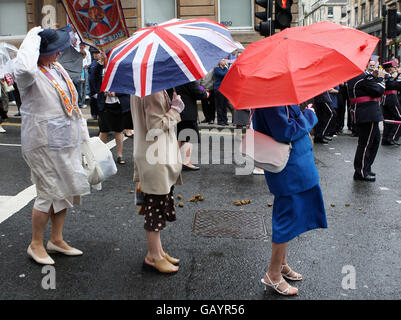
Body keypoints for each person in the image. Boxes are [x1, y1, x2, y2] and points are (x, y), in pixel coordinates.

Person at [14, 27, 91, 265]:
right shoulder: (29, 74)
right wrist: (31, 38)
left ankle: (56, 239)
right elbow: (24, 66)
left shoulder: (54, 67)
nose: (59, 53)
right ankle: (35, 243)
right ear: (38, 51)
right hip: (41, 142)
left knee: (65, 189)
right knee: (47, 192)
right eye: (53, 50)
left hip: (64, 139)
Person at [252, 104, 327, 296]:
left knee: (291, 215)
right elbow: (284, 131)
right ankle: (273, 274)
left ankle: (282, 264)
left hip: (296, 164)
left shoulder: (278, 95)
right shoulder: (272, 98)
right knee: (286, 218)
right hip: (289, 167)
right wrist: (310, 114)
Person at [131, 90, 185, 274]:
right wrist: (175, 110)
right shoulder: (151, 91)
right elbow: (155, 127)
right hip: (155, 156)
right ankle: (153, 256)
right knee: (154, 210)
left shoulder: (145, 86)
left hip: (153, 155)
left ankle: (158, 252)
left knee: (157, 206)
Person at [347, 64, 385, 182]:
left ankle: (366, 167)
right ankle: (361, 171)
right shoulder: (363, 77)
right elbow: (378, 91)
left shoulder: (360, 76)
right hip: (367, 113)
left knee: (374, 141)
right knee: (366, 143)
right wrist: (381, 79)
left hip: (366, 112)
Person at [168, 81, 207, 171]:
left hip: (176, 110)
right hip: (188, 111)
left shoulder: (173, 77)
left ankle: (175, 161)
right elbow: (199, 92)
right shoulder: (188, 78)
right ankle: (185, 162)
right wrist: (206, 93)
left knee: (179, 136)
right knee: (191, 137)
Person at [380, 61, 401, 146]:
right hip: (391, 98)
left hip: (386, 99)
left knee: (389, 119)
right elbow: (394, 85)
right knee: (399, 117)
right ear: (390, 68)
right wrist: (396, 75)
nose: (395, 69)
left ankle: (386, 138)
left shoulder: (385, 76)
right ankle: (392, 137)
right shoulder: (387, 76)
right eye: (393, 68)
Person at [214, 59, 230, 126]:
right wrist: (226, 68)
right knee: (220, 106)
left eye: (224, 60)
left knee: (224, 106)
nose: (224, 61)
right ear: (219, 61)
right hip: (218, 89)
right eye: (222, 60)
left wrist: (226, 68)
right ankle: (220, 121)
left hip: (225, 89)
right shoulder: (217, 69)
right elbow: (223, 74)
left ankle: (225, 120)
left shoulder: (225, 69)